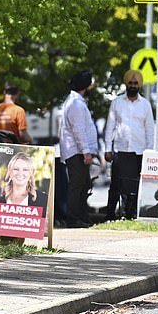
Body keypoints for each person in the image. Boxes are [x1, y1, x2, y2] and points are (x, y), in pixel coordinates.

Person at [103, 69, 154, 219]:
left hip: (138, 152)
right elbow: (110, 127)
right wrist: (107, 148)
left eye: (135, 83)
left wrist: (149, 152)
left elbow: (150, 130)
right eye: (130, 83)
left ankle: (130, 214)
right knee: (116, 185)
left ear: (140, 85)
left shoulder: (145, 105)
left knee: (134, 185)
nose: (133, 86)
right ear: (126, 84)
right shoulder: (117, 103)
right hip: (120, 150)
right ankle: (110, 215)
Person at [60, 70, 98, 228]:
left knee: (83, 185)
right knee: (77, 186)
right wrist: (86, 152)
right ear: (85, 86)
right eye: (90, 84)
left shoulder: (77, 102)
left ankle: (82, 217)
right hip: (76, 153)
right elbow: (78, 131)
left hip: (79, 152)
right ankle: (73, 218)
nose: (92, 87)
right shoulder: (75, 104)